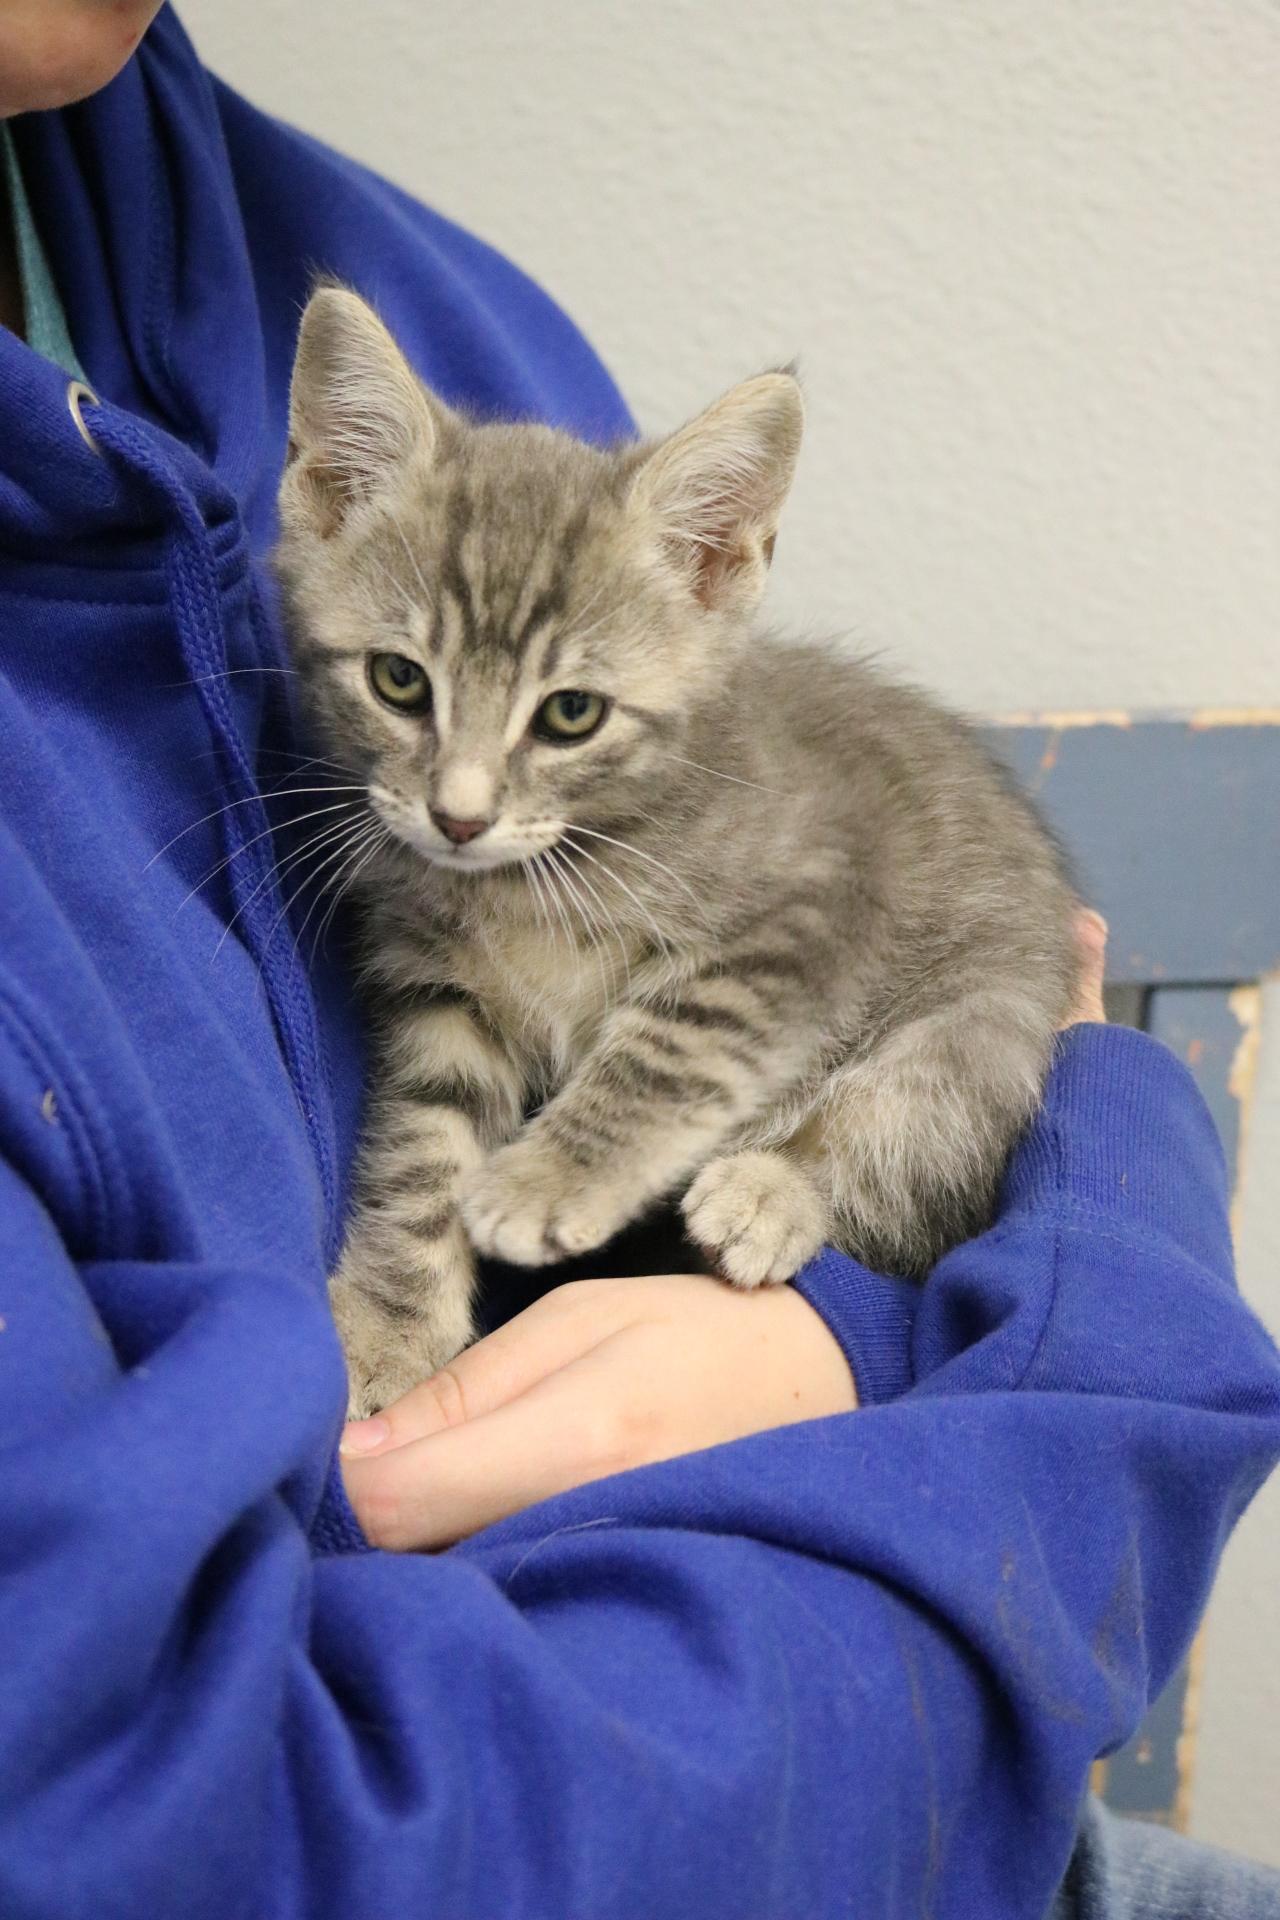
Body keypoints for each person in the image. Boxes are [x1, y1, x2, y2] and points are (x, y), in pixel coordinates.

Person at [1, 8, 1278, 1916]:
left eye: (549, 727)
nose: (452, 798)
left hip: (833, 1639)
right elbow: (208, 1837)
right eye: (409, 695)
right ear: (324, 503)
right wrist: (1078, 1345)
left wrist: (852, 1324)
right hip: (673, 1757)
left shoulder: (430, 313)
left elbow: (950, 1012)